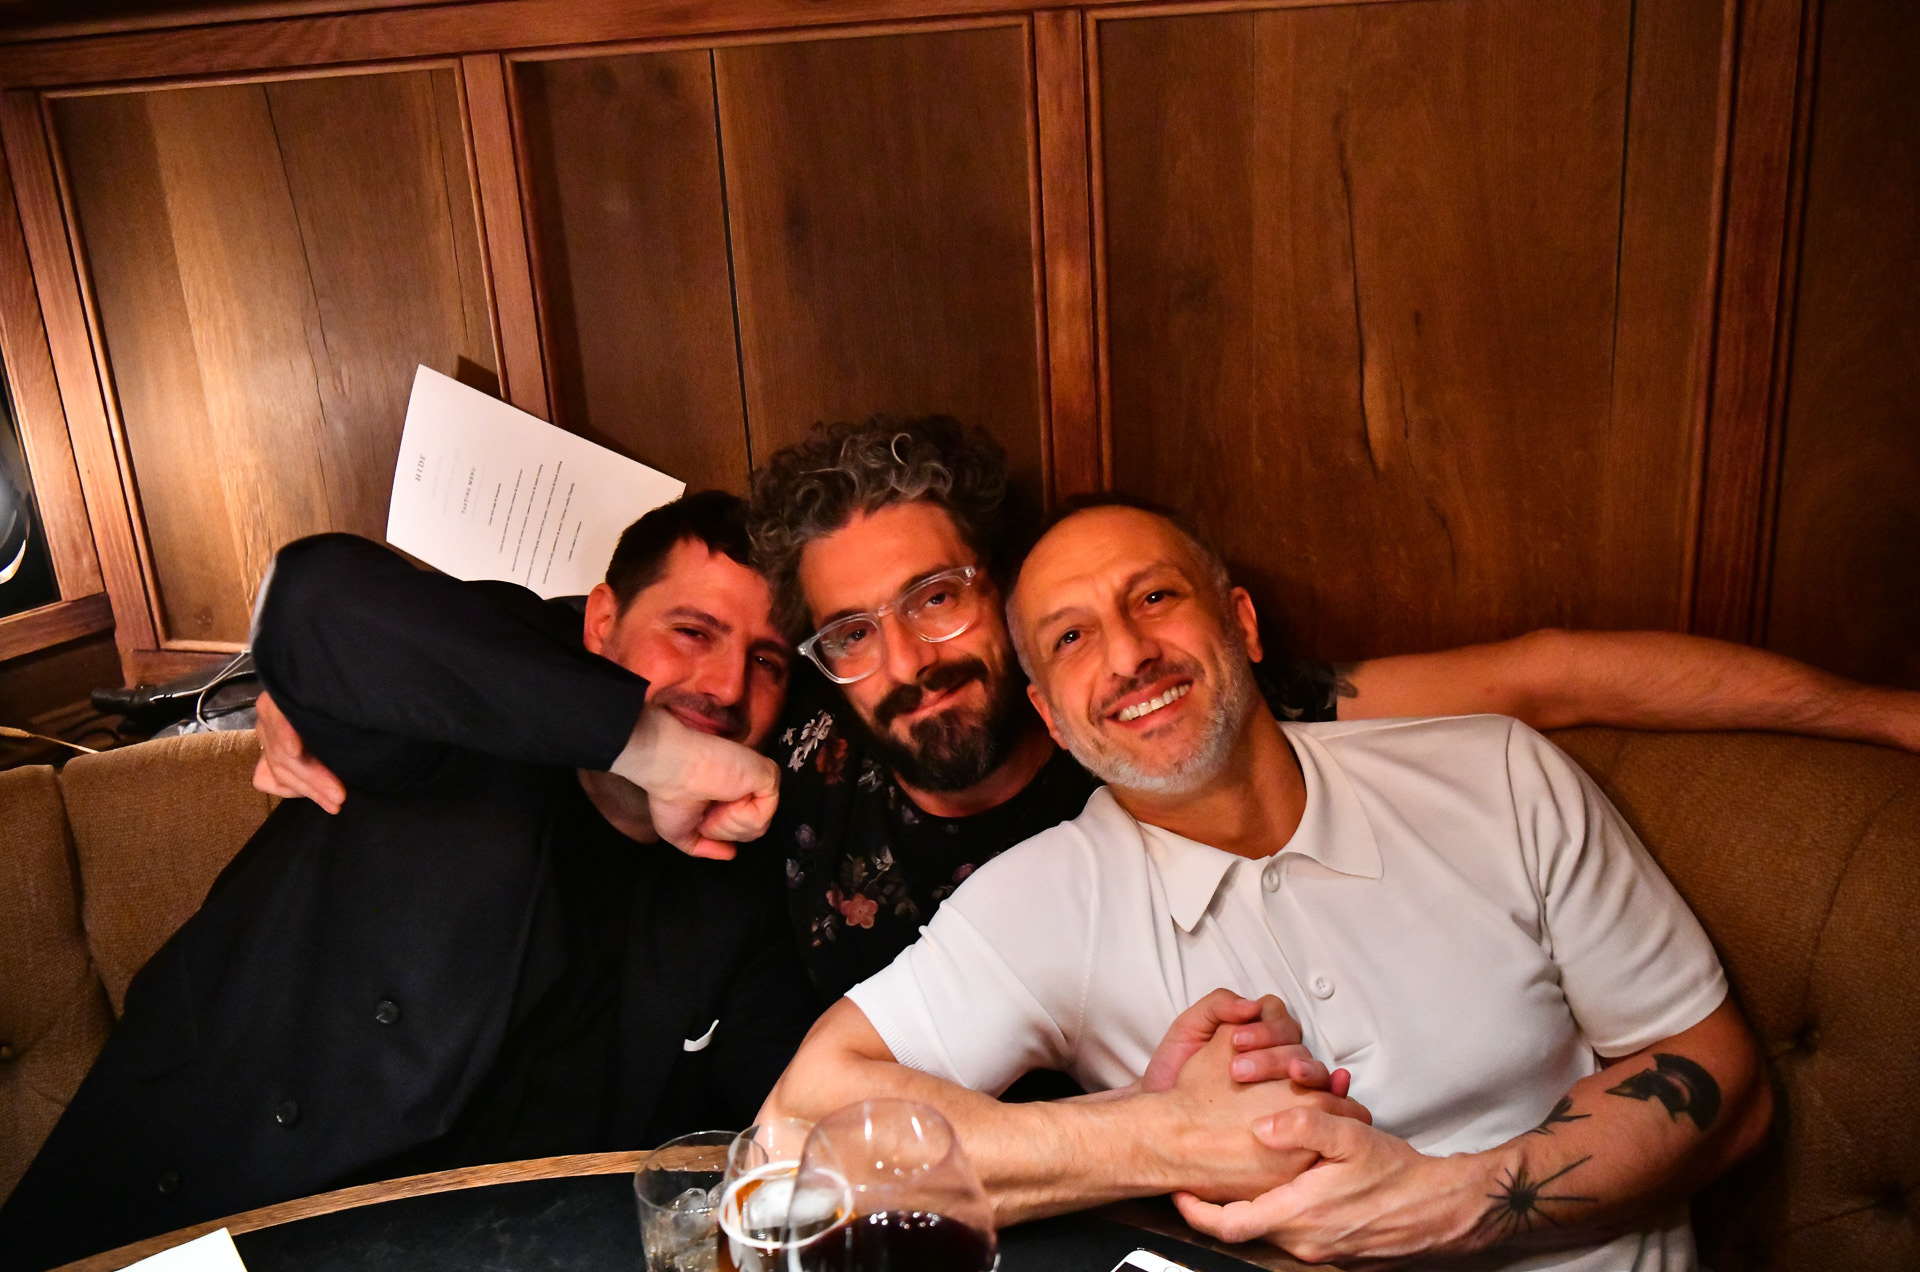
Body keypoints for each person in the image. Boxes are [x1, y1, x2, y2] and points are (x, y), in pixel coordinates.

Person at [764, 500, 1773, 1271]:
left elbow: (1723, 1077)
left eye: (1154, 598)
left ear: (1241, 623)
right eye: (1071, 637)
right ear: (1053, 718)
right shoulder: (1043, 900)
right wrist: (1161, 1135)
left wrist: (1444, 1202)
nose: (1129, 655)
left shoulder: (1495, 776)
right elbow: (796, 1138)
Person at [746, 415, 1920, 1002]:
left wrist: (1882, 716)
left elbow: (1548, 672)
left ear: (1008, 600)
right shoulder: (798, 757)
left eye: (937, 598)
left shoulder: (1166, 718)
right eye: (852, 631)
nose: (908, 659)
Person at [0, 493, 818, 1272]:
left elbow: (790, 1122)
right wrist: (654, 751)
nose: (726, 686)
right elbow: (314, 598)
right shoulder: (459, 707)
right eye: (691, 631)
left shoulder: (740, 888)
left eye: (767, 662)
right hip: (192, 1203)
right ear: (599, 623)